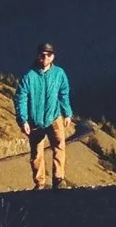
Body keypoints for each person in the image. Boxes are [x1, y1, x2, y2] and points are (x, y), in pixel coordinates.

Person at [16, 42, 75, 190]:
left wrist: (67, 112)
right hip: (35, 121)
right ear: (38, 56)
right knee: (36, 154)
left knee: (60, 146)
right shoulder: (29, 76)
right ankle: (40, 183)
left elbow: (63, 93)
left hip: (54, 117)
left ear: (53, 56)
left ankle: (58, 179)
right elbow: (20, 99)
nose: (45, 58)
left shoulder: (59, 74)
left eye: (48, 55)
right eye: (42, 55)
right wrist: (23, 120)